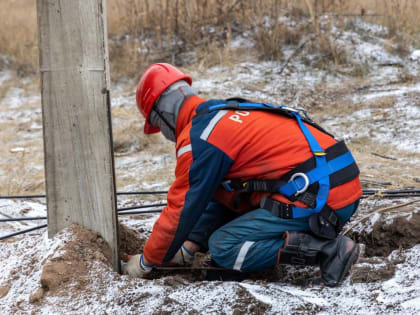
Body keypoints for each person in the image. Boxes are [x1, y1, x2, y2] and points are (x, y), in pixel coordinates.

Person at [123, 63, 362, 287]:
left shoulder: (199, 139)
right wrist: (189, 245)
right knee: (230, 221)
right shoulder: (225, 112)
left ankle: (329, 251)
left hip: (321, 197)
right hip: (340, 184)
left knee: (223, 246)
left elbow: (181, 209)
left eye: (157, 125)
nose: (164, 134)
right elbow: (218, 194)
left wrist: (146, 261)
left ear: (162, 115)